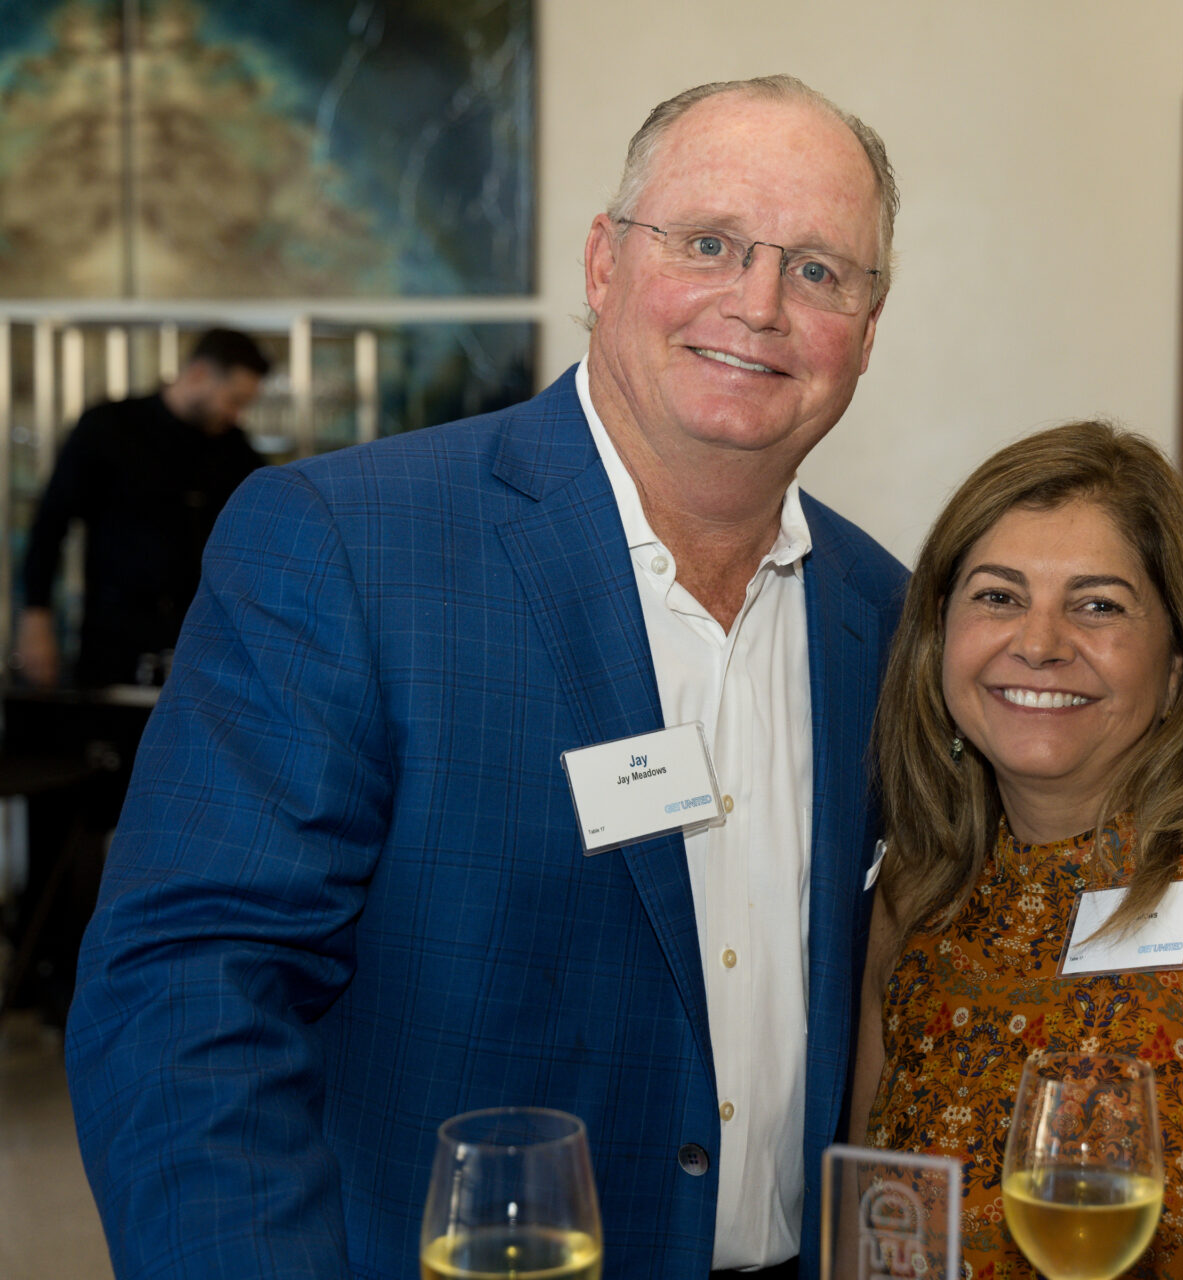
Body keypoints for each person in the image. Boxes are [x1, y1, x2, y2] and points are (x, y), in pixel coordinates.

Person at [66, 75, 906, 1280]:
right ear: (604, 264)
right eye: (710, 243)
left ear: (868, 333)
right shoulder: (349, 544)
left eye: (820, 270)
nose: (759, 303)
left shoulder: (884, 613)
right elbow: (190, 991)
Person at [850, 422, 1183, 1278]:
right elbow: (873, 1241)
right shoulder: (917, 889)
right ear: (938, 639)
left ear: (1178, 662)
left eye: (1097, 605)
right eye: (997, 596)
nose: (1038, 643)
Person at [16, 326, 269, 688]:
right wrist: (36, 617)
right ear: (198, 374)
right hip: (113, 633)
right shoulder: (108, 427)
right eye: (233, 400)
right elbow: (50, 524)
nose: (236, 415)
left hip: (200, 639)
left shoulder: (237, 452)